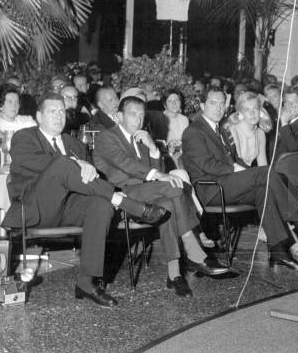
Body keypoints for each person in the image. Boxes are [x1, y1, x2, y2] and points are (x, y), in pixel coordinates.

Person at [1, 93, 169, 308]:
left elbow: (91, 179)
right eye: (52, 111)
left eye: (62, 111)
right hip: (36, 210)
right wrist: (75, 163)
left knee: (101, 204)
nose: (59, 116)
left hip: (69, 208)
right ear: (38, 116)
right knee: (62, 165)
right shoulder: (24, 137)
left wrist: (83, 165)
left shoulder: (74, 143)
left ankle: (86, 282)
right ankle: (126, 203)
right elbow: (41, 164)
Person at [93, 96, 229, 297]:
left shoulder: (141, 139)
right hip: (123, 195)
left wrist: (154, 149)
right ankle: (195, 252)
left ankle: (174, 275)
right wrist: (158, 175)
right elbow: (125, 164)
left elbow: (156, 172)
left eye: (141, 115)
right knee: (175, 187)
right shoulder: (107, 137)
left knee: (167, 206)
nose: (138, 120)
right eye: (133, 114)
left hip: (150, 195)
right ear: (119, 116)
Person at [182, 88, 298, 271]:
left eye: (221, 104)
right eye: (212, 103)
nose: (218, 108)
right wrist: (236, 169)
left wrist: (244, 170)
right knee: (265, 173)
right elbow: (206, 164)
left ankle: (278, 251)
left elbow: (233, 159)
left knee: (263, 190)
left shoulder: (219, 129)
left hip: (226, 183)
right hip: (210, 189)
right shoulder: (193, 131)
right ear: (202, 105)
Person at [223, 92, 267, 168]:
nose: (252, 113)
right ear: (240, 113)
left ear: (260, 111)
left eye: (255, 108)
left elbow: (263, 165)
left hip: (247, 174)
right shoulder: (232, 129)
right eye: (247, 109)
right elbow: (236, 163)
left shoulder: (260, 133)